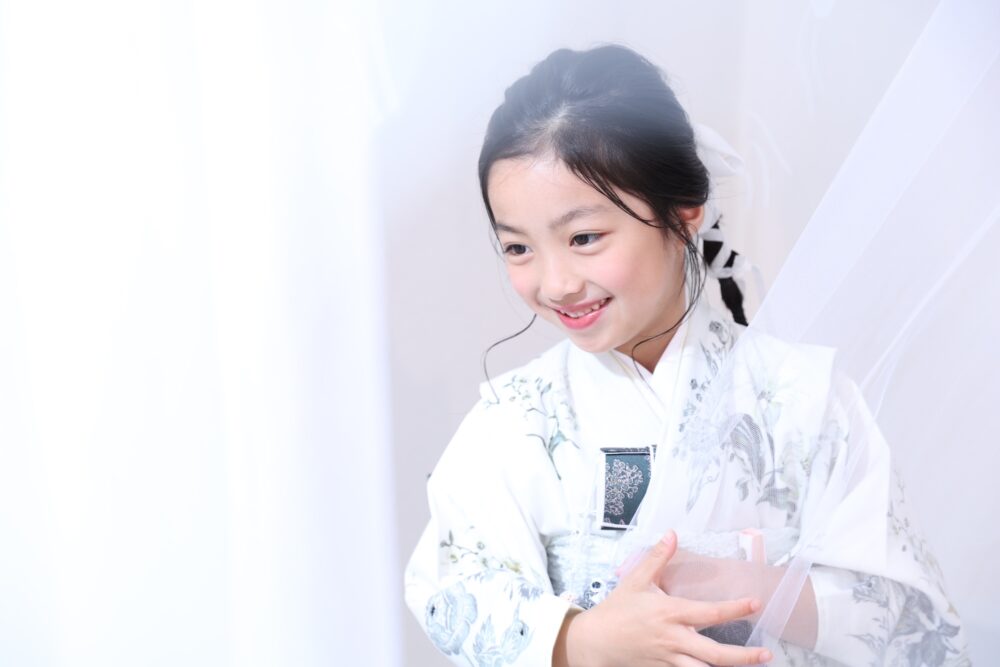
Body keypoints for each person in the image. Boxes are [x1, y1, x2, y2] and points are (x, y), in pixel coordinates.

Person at [404, 44, 967, 666]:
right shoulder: (512, 421)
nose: (556, 282)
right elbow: (452, 593)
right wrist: (584, 640)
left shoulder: (804, 394)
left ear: (683, 214)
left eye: (584, 237)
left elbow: (916, 620)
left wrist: (757, 589)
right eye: (518, 248)